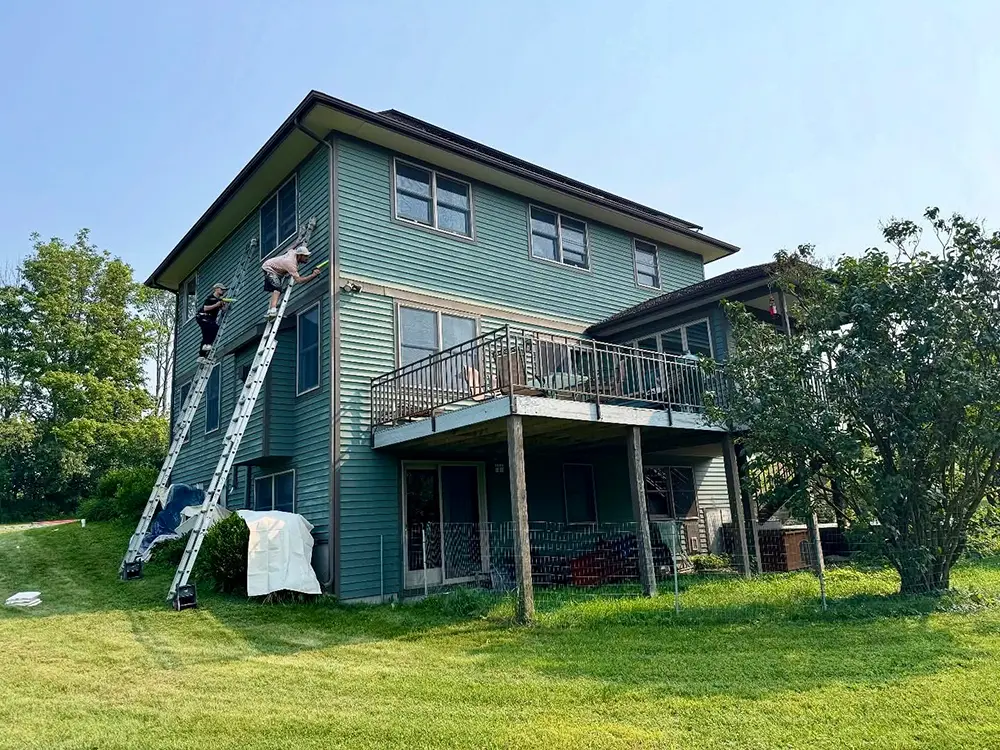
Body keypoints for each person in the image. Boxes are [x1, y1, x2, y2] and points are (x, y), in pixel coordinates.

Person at [261, 243, 322, 319]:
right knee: (277, 288)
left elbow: (289, 249)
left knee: (276, 289)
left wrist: (299, 242)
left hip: (276, 269)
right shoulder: (291, 264)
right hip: (269, 268)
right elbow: (299, 280)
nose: (307, 258)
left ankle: (269, 311)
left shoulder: (293, 252)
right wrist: (313, 275)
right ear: (299, 256)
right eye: (305, 256)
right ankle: (272, 310)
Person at [196, 283, 229, 364]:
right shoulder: (210, 298)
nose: (223, 292)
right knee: (211, 329)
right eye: (222, 290)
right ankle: (205, 348)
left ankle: (202, 356)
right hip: (203, 317)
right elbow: (205, 308)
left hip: (210, 319)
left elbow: (224, 310)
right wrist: (216, 305)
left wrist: (224, 305)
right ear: (217, 289)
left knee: (211, 331)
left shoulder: (219, 300)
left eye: (224, 290)